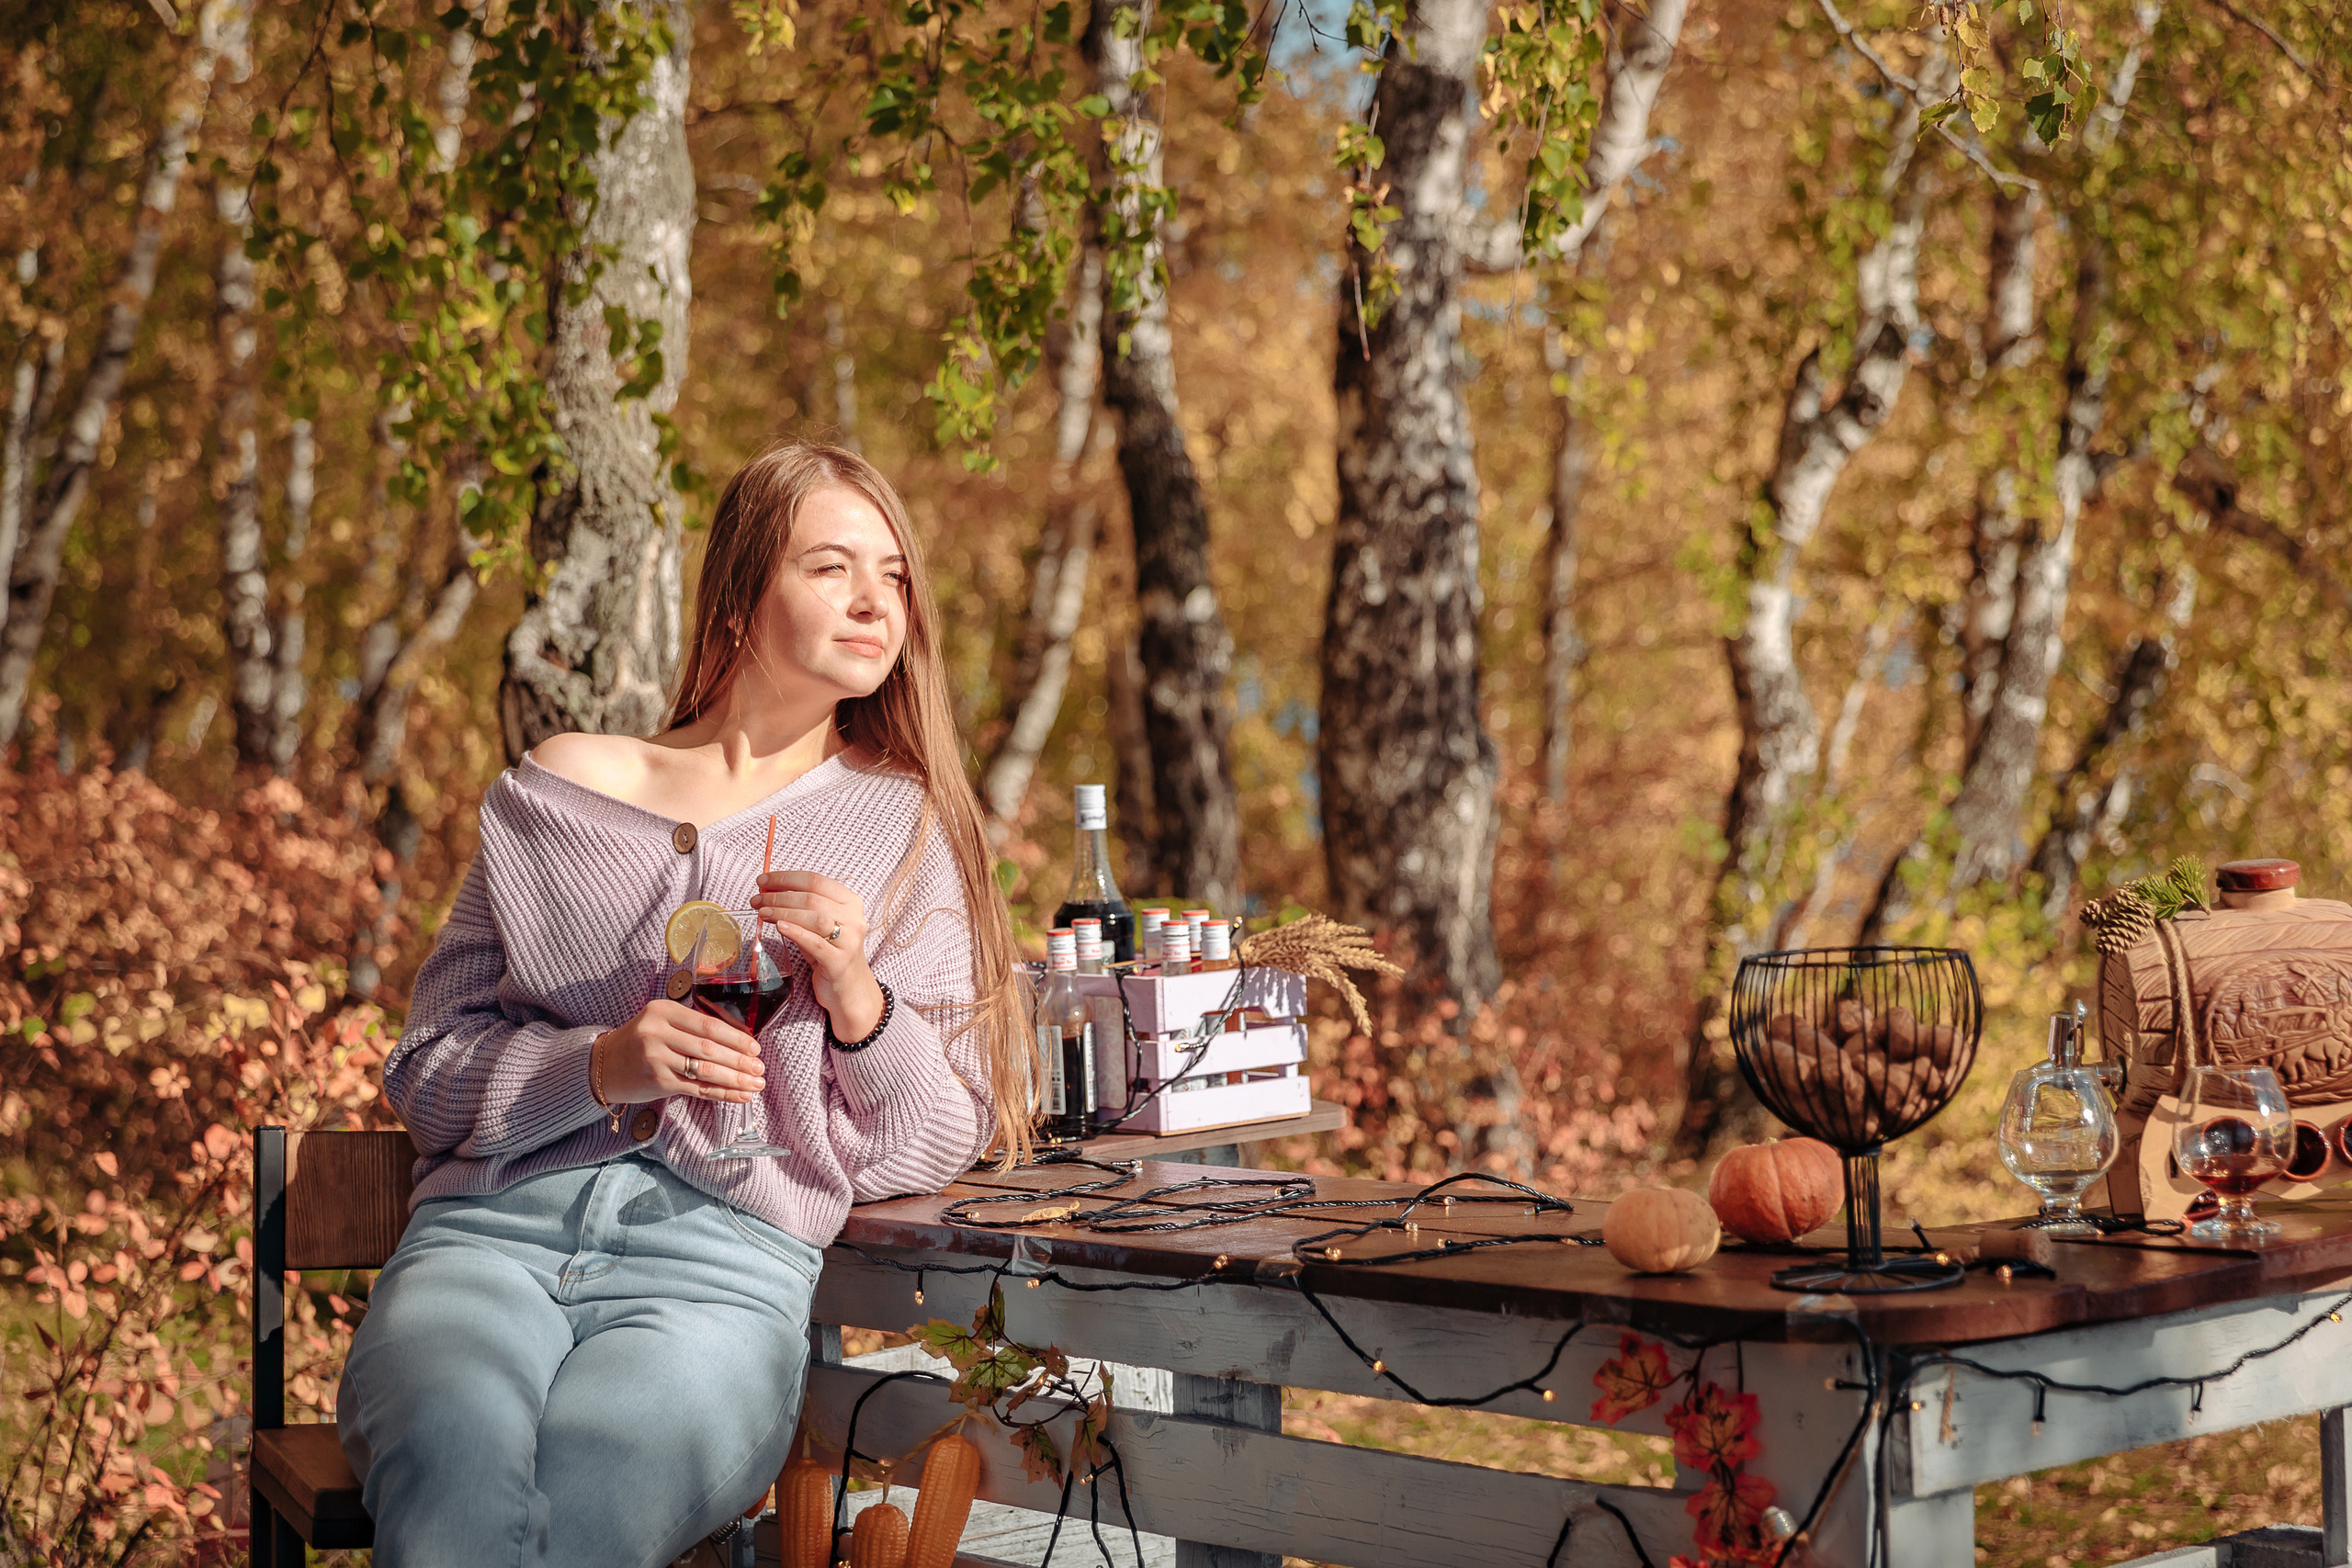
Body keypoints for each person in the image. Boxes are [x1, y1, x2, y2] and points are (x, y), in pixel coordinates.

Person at [337, 442, 1035, 1568]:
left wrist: (860, 998)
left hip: (719, 1278)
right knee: (454, 1476)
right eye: (830, 568)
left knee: (586, 1514)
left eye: (894, 577)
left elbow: (937, 1134)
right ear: (740, 593)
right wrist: (601, 1067)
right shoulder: (555, 794)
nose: (875, 601)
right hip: (483, 1249)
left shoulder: (906, 830)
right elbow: (426, 1070)